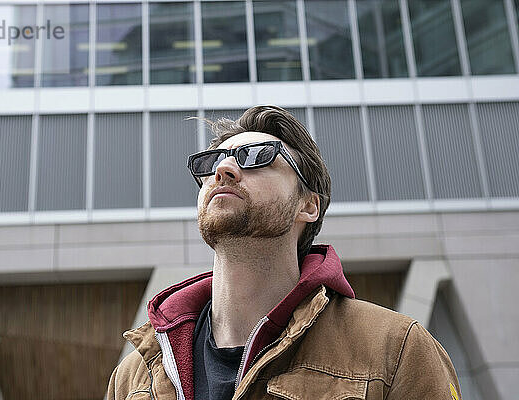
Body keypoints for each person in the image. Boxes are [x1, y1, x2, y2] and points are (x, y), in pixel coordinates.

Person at [106, 105, 462, 400]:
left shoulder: (396, 349)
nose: (223, 169)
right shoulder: (134, 375)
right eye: (214, 160)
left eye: (257, 157)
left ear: (308, 206)